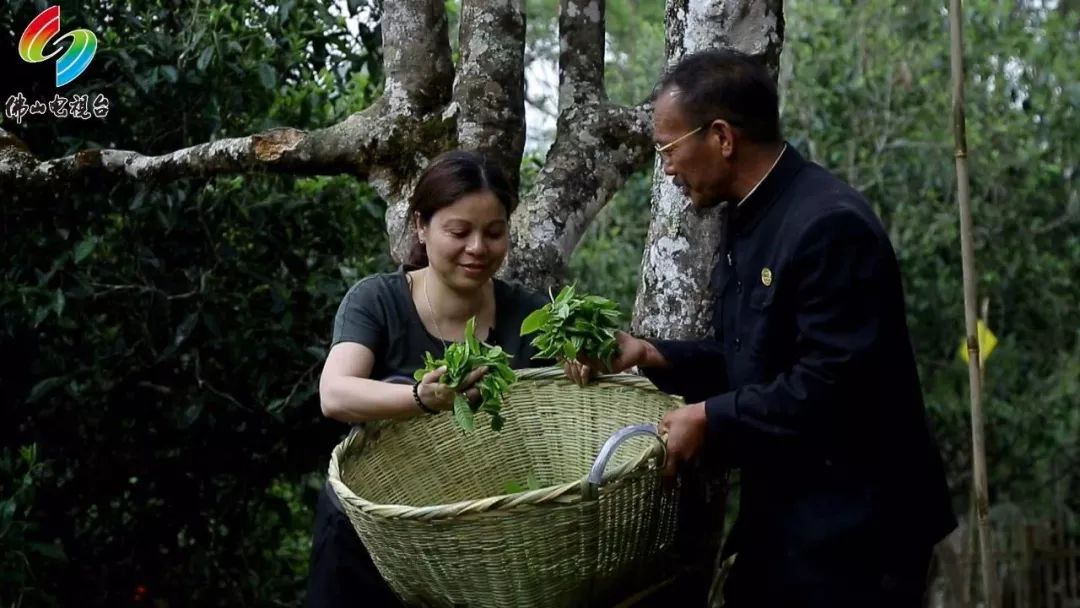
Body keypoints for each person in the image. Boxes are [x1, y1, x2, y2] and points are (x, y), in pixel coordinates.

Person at [566, 49, 957, 607]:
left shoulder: (828, 225)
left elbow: (831, 386)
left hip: (859, 531)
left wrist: (708, 416)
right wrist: (652, 354)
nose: (668, 168)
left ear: (722, 137)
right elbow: (751, 358)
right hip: (788, 520)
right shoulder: (746, 214)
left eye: (669, 148)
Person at [306, 150, 550, 607]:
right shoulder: (377, 300)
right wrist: (421, 398)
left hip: (474, 548)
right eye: (459, 232)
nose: (478, 248)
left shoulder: (530, 315)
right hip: (368, 545)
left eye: (494, 233)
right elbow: (335, 393)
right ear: (422, 226)